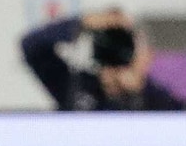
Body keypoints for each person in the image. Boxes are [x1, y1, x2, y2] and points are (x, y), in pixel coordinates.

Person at [21, 8, 185, 110]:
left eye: (125, 44)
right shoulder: (77, 87)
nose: (117, 51)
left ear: (146, 55)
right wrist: (80, 23)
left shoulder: (158, 100)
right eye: (110, 43)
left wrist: (139, 91)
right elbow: (31, 46)